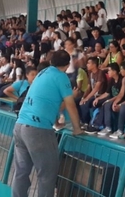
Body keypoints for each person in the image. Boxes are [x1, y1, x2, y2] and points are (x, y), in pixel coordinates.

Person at [12, 50, 82, 197]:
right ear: (67, 64)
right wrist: (77, 129)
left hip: (20, 126)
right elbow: (70, 104)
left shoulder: (41, 74)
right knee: (47, 175)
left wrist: (55, 120)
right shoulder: (61, 77)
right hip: (38, 130)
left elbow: (45, 100)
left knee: (21, 173)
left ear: (51, 62)